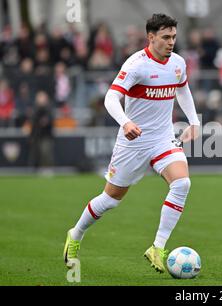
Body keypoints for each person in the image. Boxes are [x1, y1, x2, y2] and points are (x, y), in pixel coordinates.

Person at [63, 14, 200, 274]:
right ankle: (76, 233)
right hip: (133, 142)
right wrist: (125, 122)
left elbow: (182, 89)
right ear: (151, 37)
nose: (171, 42)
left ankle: (157, 247)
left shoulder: (178, 63)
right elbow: (111, 99)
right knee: (111, 199)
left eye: (173, 36)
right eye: (165, 37)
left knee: (182, 183)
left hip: (162, 138)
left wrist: (193, 121)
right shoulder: (136, 64)